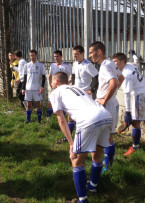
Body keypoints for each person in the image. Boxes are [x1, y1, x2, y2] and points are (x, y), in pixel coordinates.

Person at [49, 72, 112, 203]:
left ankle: (82, 200)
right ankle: (92, 187)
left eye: (51, 81)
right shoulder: (77, 87)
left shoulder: (55, 93)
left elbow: (61, 120)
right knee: (97, 154)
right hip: (105, 116)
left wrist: (71, 144)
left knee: (77, 161)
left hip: (88, 120)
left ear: (55, 82)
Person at [89, 41, 123, 173]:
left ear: (99, 51)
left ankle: (106, 166)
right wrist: (112, 94)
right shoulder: (110, 64)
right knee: (108, 136)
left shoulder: (105, 65)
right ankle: (108, 164)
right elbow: (121, 78)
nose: (90, 56)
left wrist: (105, 99)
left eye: (92, 52)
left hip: (107, 105)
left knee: (105, 137)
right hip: (111, 103)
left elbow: (114, 83)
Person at [112, 53, 145, 156]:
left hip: (142, 98)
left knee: (135, 123)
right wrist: (135, 55)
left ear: (122, 62)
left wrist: (127, 112)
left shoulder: (126, 74)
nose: (113, 64)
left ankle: (135, 147)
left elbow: (127, 94)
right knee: (135, 121)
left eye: (115, 61)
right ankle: (127, 125)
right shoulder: (130, 65)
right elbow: (137, 62)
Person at [69, 45, 99, 139]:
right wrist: (72, 86)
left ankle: (86, 136)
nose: (75, 56)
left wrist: (92, 90)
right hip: (75, 93)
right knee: (71, 115)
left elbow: (96, 77)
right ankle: (69, 136)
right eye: (74, 54)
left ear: (82, 54)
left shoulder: (87, 65)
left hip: (84, 95)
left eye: (77, 54)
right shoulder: (75, 63)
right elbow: (73, 75)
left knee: (84, 117)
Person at [47, 50, 72, 121]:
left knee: (63, 105)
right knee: (50, 103)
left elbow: (73, 76)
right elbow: (50, 76)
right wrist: (51, 84)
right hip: (54, 88)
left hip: (63, 89)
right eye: (55, 56)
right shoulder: (53, 65)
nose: (56, 58)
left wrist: (68, 83)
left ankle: (62, 120)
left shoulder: (67, 66)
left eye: (57, 56)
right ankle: (48, 120)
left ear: (61, 56)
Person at [21, 50, 46, 123]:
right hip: (28, 88)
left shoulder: (41, 65)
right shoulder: (27, 65)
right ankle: (28, 120)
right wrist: (23, 88)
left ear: (36, 55)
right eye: (30, 55)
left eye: (33, 55)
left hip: (37, 88)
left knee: (38, 104)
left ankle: (39, 120)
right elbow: (25, 77)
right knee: (28, 105)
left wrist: (42, 86)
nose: (32, 57)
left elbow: (44, 76)